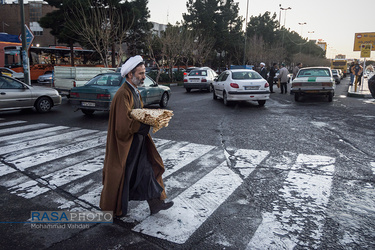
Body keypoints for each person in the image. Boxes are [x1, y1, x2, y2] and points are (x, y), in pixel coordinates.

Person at [100, 55, 173, 217]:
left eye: (144, 73)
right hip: (127, 145)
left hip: (137, 143)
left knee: (146, 171)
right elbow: (123, 124)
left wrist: (151, 119)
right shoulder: (122, 94)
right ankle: (114, 209)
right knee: (127, 175)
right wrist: (146, 124)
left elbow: (138, 114)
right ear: (129, 75)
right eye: (140, 73)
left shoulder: (134, 91)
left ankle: (156, 204)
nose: (143, 76)